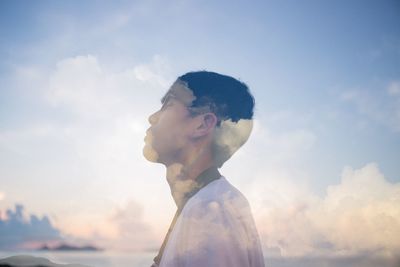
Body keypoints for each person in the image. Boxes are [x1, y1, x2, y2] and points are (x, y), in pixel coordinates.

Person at [143, 71, 265, 267]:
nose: (152, 117)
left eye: (168, 104)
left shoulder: (210, 211)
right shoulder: (206, 203)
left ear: (202, 124)